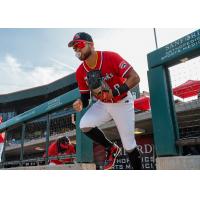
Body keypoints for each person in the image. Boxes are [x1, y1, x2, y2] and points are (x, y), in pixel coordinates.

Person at [68, 32, 142, 170]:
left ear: (91, 45)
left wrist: (114, 93)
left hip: (122, 102)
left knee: (129, 146)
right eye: (74, 48)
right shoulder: (80, 72)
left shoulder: (110, 57)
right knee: (84, 124)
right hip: (103, 104)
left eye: (79, 45)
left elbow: (135, 77)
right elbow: (85, 97)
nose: (77, 50)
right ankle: (111, 148)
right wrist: (81, 103)